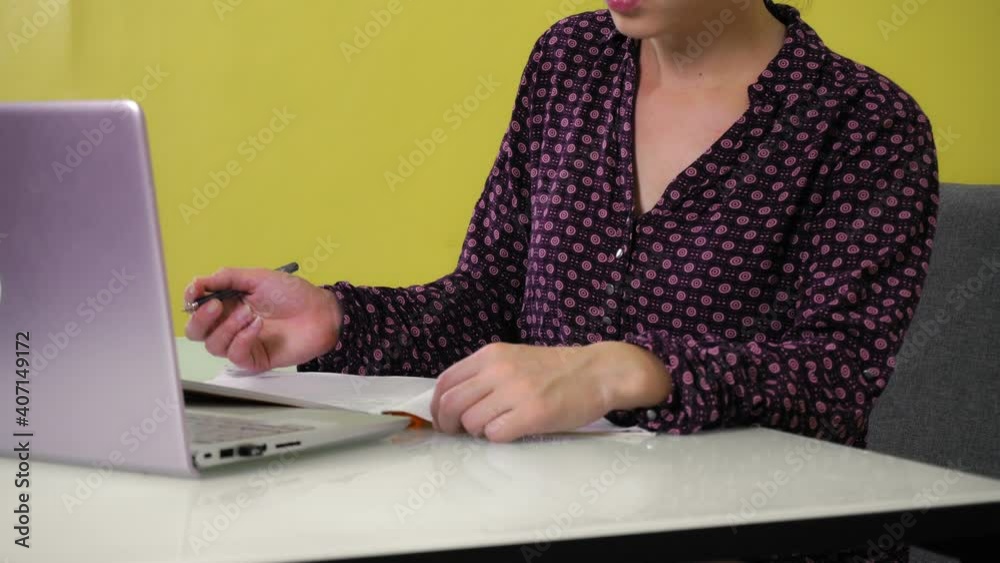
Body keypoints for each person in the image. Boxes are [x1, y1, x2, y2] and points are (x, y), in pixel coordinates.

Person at [186, 0, 937, 485]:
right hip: (540, 508)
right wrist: (338, 321)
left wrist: (626, 372)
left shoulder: (865, 125)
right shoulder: (570, 62)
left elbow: (836, 377)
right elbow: (488, 299)